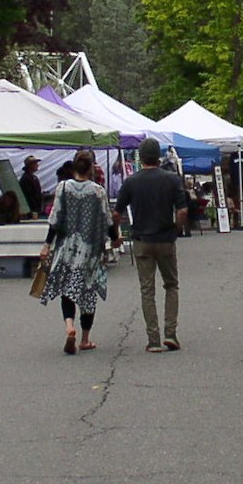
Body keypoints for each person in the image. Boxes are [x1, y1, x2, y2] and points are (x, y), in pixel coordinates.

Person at [115, 136, 187, 353]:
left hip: (142, 241)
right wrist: (176, 229)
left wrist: (115, 232)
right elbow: (182, 210)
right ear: (158, 156)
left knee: (147, 290)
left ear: (141, 157)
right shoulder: (172, 179)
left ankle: (153, 339)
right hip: (165, 239)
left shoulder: (132, 181)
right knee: (171, 285)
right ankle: (170, 333)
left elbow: (117, 212)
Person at [39, 149, 112, 354]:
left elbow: (55, 219)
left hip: (66, 248)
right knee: (88, 292)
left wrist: (47, 245)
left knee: (67, 290)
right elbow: (107, 220)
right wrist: (115, 239)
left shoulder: (63, 188)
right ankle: (85, 338)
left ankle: (69, 325)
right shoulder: (98, 191)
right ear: (91, 168)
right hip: (89, 250)